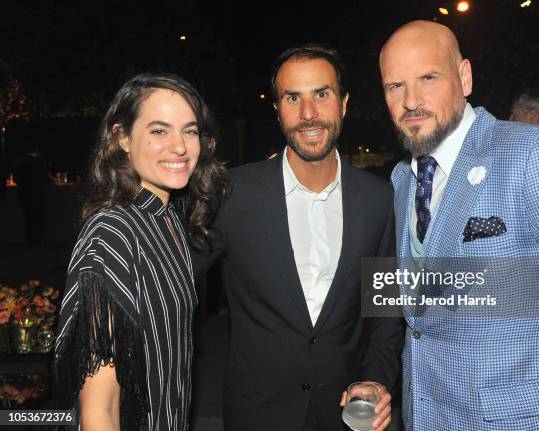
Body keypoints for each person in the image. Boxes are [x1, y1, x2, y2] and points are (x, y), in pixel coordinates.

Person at [379, 20, 539, 430]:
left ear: (464, 77)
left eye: (428, 77)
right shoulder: (403, 179)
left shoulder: (535, 155)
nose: (410, 100)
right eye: (394, 86)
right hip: (428, 415)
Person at [198, 44, 403, 431]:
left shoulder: (378, 200)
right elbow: (171, 274)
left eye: (321, 94)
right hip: (257, 415)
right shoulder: (232, 194)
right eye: (294, 98)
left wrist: (376, 377)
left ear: (343, 104)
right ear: (278, 110)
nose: (309, 114)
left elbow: (386, 311)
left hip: (346, 416)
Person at [53, 73, 227, 430]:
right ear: (122, 138)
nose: (179, 146)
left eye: (190, 130)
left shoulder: (169, 221)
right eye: (159, 131)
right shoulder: (112, 234)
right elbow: (98, 411)